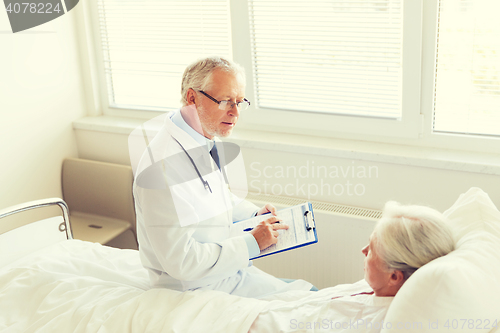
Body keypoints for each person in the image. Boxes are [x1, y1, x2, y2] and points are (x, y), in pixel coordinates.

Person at [132, 56, 313, 297]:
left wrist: (253, 215)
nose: (235, 113)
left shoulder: (200, 137)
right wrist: (252, 244)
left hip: (225, 272)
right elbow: (181, 262)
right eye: (226, 101)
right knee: (309, 301)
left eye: (239, 102)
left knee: (311, 293)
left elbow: (213, 197)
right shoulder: (162, 169)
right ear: (192, 98)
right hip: (193, 289)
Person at [249, 201, 456, 332]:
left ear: (395, 276)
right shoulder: (375, 289)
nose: (363, 250)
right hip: (256, 309)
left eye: (373, 249)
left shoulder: (375, 322)